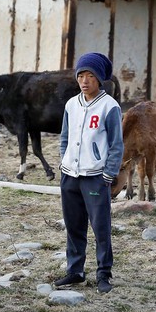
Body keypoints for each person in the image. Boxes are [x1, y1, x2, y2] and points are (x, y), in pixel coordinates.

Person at [55, 52, 123, 294]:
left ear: (100, 78)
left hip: (95, 176)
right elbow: (65, 137)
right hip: (70, 176)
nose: (84, 80)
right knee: (73, 225)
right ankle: (75, 271)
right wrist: (64, 161)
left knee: (100, 227)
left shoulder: (109, 106)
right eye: (81, 75)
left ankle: (104, 273)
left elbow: (116, 145)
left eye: (90, 75)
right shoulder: (71, 105)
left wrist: (109, 174)